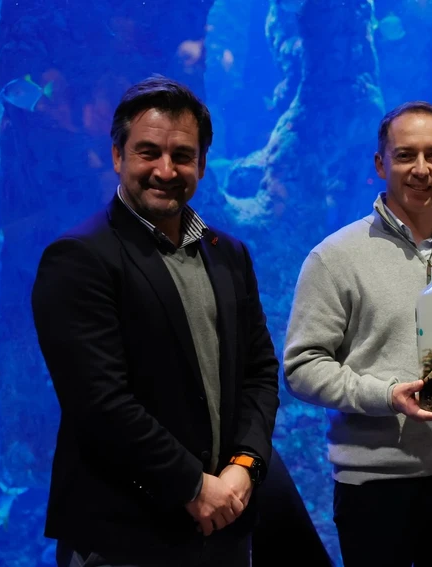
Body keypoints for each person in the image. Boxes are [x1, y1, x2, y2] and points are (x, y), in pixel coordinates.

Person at [31, 75, 280, 567]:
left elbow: (260, 372)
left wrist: (244, 469)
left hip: (225, 524)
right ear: (117, 156)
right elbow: (100, 403)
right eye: (148, 152)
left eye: (182, 155)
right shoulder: (78, 258)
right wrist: (192, 486)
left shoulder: (228, 254)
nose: (166, 170)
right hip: (125, 535)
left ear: (203, 165)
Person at [282, 100, 432, 567]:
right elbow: (302, 368)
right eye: (405, 154)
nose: (421, 169)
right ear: (380, 164)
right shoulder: (335, 257)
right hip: (376, 484)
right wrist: (388, 395)